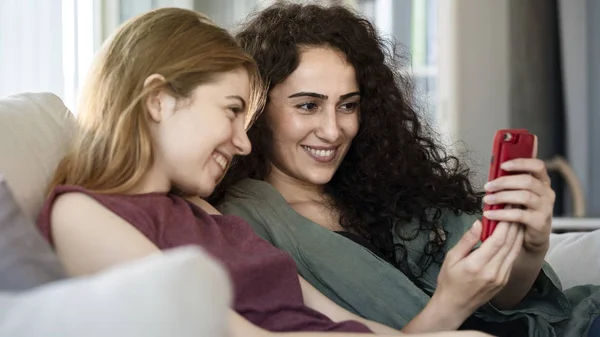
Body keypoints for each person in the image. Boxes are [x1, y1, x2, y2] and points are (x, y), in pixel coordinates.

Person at [35, 7, 490, 337]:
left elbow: (334, 318)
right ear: (159, 100)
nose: (243, 142)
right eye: (232, 111)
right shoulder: (79, 212)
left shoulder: (197, 210)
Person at [211, 2, 600, 336]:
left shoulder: (383, 183)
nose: (333, 130)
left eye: (348, 105)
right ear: (256, 110)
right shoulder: (249, 224)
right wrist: (451, 303)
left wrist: (531, 248)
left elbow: (506, 299)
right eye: (308, 105)